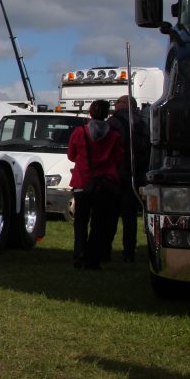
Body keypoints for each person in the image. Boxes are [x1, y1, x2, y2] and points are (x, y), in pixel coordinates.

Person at [67, 99, 123, 270]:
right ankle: (93, 258)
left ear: (90, 112)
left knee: (81, 222)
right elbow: (119, 159)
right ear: (107, 114)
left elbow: (71, 155)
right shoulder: (114, 135)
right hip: (104, 184)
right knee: (99, 223)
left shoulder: (79, 132)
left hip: (83, 182)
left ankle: (80, 254)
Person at [106, 95, 150, 262]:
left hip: (117, 174)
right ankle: (129, 252)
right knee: (130, 218)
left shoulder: (114, 123)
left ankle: (106, 250)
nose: (115, 105)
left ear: (125, 104)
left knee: (110, 216)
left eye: (117, 102)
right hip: (136, 175)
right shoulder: (143, 124)